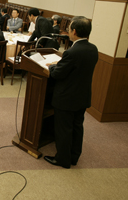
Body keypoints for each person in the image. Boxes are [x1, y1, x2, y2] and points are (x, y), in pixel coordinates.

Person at [44, 16, 98, 169]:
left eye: (68, 29)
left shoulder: (72, 52)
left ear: (74, 31)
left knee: (64, 129)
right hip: (83, 96)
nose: (67, 32)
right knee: (77, 127)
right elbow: (77, 69)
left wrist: (53, 66)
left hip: (67, 97)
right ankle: (74, 156)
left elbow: (57, 74)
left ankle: (62, 159)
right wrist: (61, 64)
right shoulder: (93, 48)